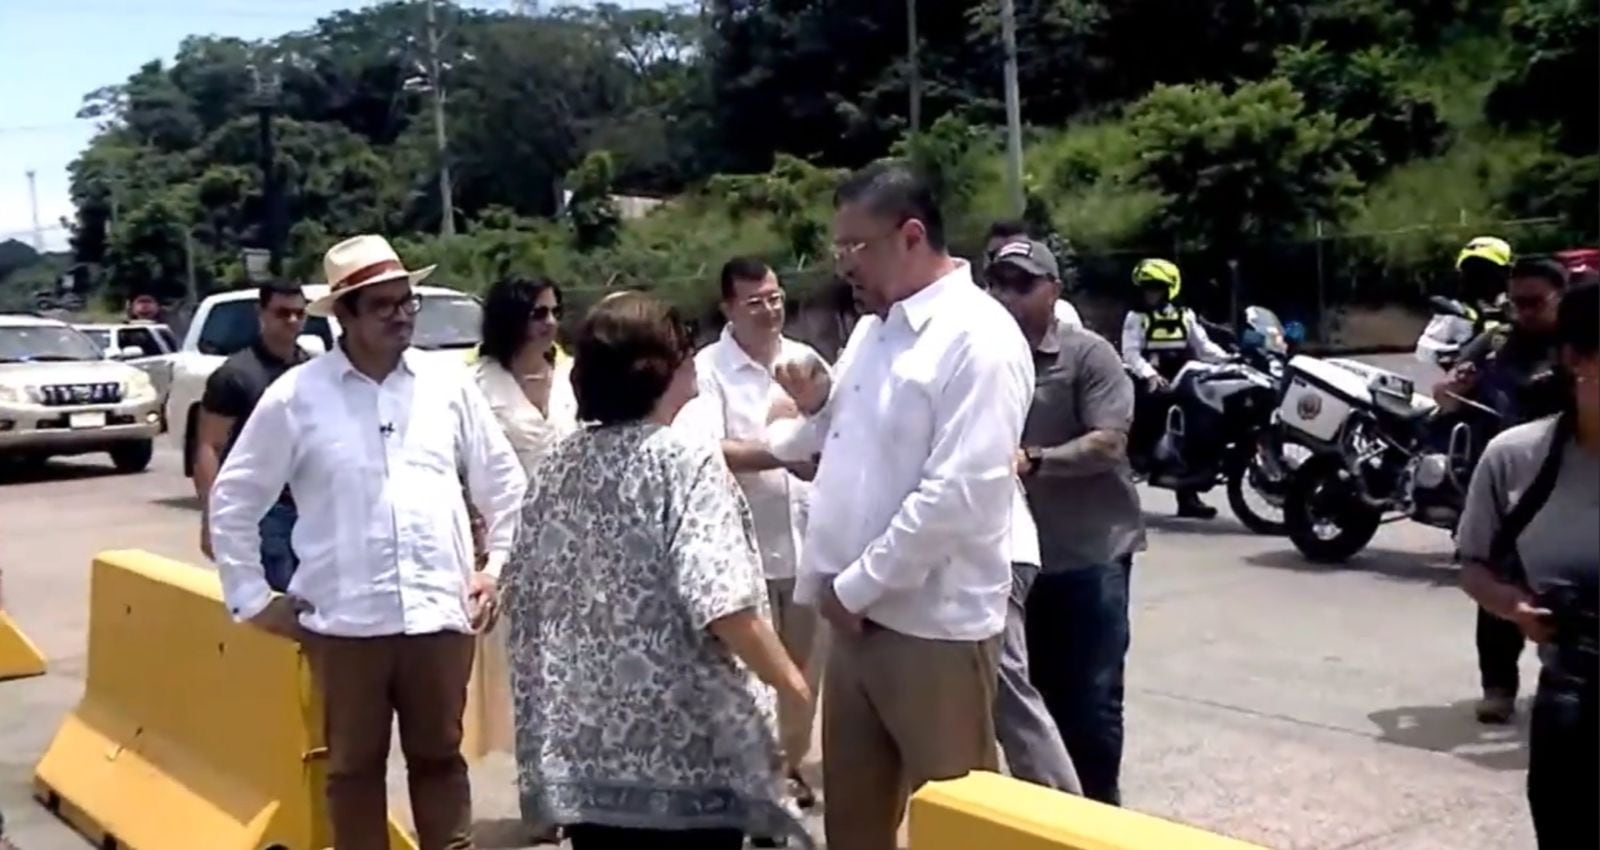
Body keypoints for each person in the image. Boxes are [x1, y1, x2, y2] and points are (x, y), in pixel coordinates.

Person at [209, 234, 527, 850]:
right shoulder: (296, 397)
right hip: (344, 622)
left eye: (406, 301)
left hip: (439, 613)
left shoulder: (447, 387)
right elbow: (234, 498)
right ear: (344, 316)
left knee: (440, 759)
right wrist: (251, 597)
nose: (402, 314)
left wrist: (497, 569)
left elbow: (506, 486)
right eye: (382, 305)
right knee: (353, 770)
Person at [766, 163, 1033, 850]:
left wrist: (856, 587)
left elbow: (960, 494)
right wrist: (795, 426)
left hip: (930, 628)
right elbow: (842, 434)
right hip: (852, 619)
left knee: (954, 825)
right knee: (855, 824)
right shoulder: (874, 331)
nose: (844, 265)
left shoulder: (979, 338)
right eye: (838, 249)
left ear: (911, 236)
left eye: (856, 246)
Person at [502, 290, 810, 850]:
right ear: (662, 368)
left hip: (589, 757)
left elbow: (525, 597)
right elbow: (721, 600)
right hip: (686, 756)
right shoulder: (684, 462)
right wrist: (790, 683)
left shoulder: (556, 469)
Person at [988, 238, 1145, 804]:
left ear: (1053, 290)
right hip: (1017, 564)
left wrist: (1035, 460)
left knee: (1093, 702)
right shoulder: (982, 360)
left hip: (1089, 556)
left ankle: (1102, 815)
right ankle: (1054, 818)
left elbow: (1109, 442)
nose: (1007, 296)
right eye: (998, 283)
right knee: (1035, 702)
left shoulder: (1088, 356)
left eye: (1022, 284)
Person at [674, 257, 828, 816]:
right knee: (752, 675)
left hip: (809, 542)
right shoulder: (708, 370)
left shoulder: (805, 361)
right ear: (728, 309)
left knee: (804, 670)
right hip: (745, 550)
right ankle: (754, 781)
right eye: (755, 301)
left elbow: (837, 428)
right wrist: (784, 453)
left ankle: (787, 768)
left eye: (775, 296)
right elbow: (705, 448)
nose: (769, 309)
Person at [1457, 281, 1598, 850]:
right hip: (1574, 684)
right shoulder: (1516, 458)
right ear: (1576, 359)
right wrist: (1516, 607)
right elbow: (1473, 565)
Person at [1435, 257, 1569, 724]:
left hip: (1566, 479)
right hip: (1502, 481)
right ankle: (1498, 688)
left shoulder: (1577, 343)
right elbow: (1444, 396)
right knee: (1495, 580)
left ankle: (1571, 682)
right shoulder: (1495, 342)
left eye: (1534, 302)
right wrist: (1454, 387)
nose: (1524, 312)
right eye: (1516, 302)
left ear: (1560, 297)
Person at [193, 279, 310, 586]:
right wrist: (210, 520)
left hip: (309, 508)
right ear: (261, 313)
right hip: (261, 513)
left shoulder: (310, 371)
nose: (292, 321)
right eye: (282, 313)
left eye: (299, 313)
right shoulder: (235, 375)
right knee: (273, 612)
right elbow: (209, 447)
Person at [1120, 257, 1229, 519]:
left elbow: (1203, 348)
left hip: (1182, 377)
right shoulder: (1136, 318)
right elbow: (1131, 353)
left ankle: (1188, 494)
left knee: (1196, 423)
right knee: (1149, 415)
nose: (1151, 293)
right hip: (1147, 379)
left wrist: (1228, 359)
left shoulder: (1185, 315)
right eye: (1147, 288)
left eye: (1156, 287)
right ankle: (1140, 460)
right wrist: (1150, 375)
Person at [986, 219, 1083, 330]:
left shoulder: (1064, 315)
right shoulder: (974, 311)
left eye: (1024, 282)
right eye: (994, 254)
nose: (1006, 254)